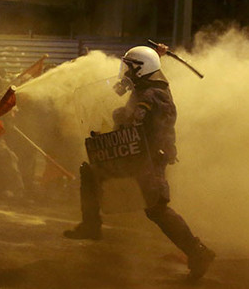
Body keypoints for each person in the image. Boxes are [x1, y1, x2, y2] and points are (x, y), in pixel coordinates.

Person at [63, 46, 216, 281]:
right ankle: (91, 225)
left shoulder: (154, 94)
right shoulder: (144, 87)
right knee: (91, 173)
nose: (125, 72)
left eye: (130, 67)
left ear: (141, 70)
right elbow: (123, 99)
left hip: (148, 158)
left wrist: (124, 121)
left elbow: (153, 124)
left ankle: (198, 252)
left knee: (157, 209)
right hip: (134, 155)